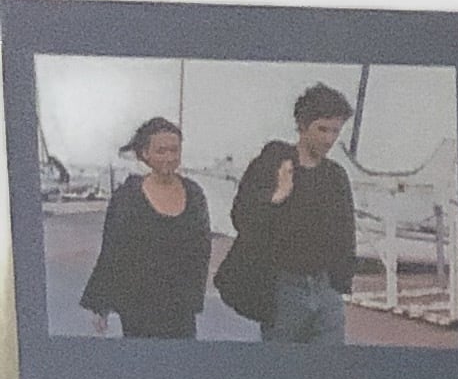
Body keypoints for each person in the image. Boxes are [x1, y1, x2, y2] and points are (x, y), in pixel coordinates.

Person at [224, 82, 359, 343]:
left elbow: (345, 232)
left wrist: (340, 283)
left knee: (330, 364)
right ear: (302, 125)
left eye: (335, 130)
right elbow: (241, 217)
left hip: (325, 289)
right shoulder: (274, 161)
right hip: (284, 288)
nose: (329, 139)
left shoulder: (335, 175)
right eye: (322, 129)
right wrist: (276, 197)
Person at [76, 116, 215, 338]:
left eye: (174, 150)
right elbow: (112, 251)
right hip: (137, 306)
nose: (169, 157)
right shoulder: (127, 197)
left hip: (179, 307)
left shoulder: (194, 194)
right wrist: (101, 305)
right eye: (161, 151)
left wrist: (193, 297)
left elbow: (202, 248)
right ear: (145, 154)